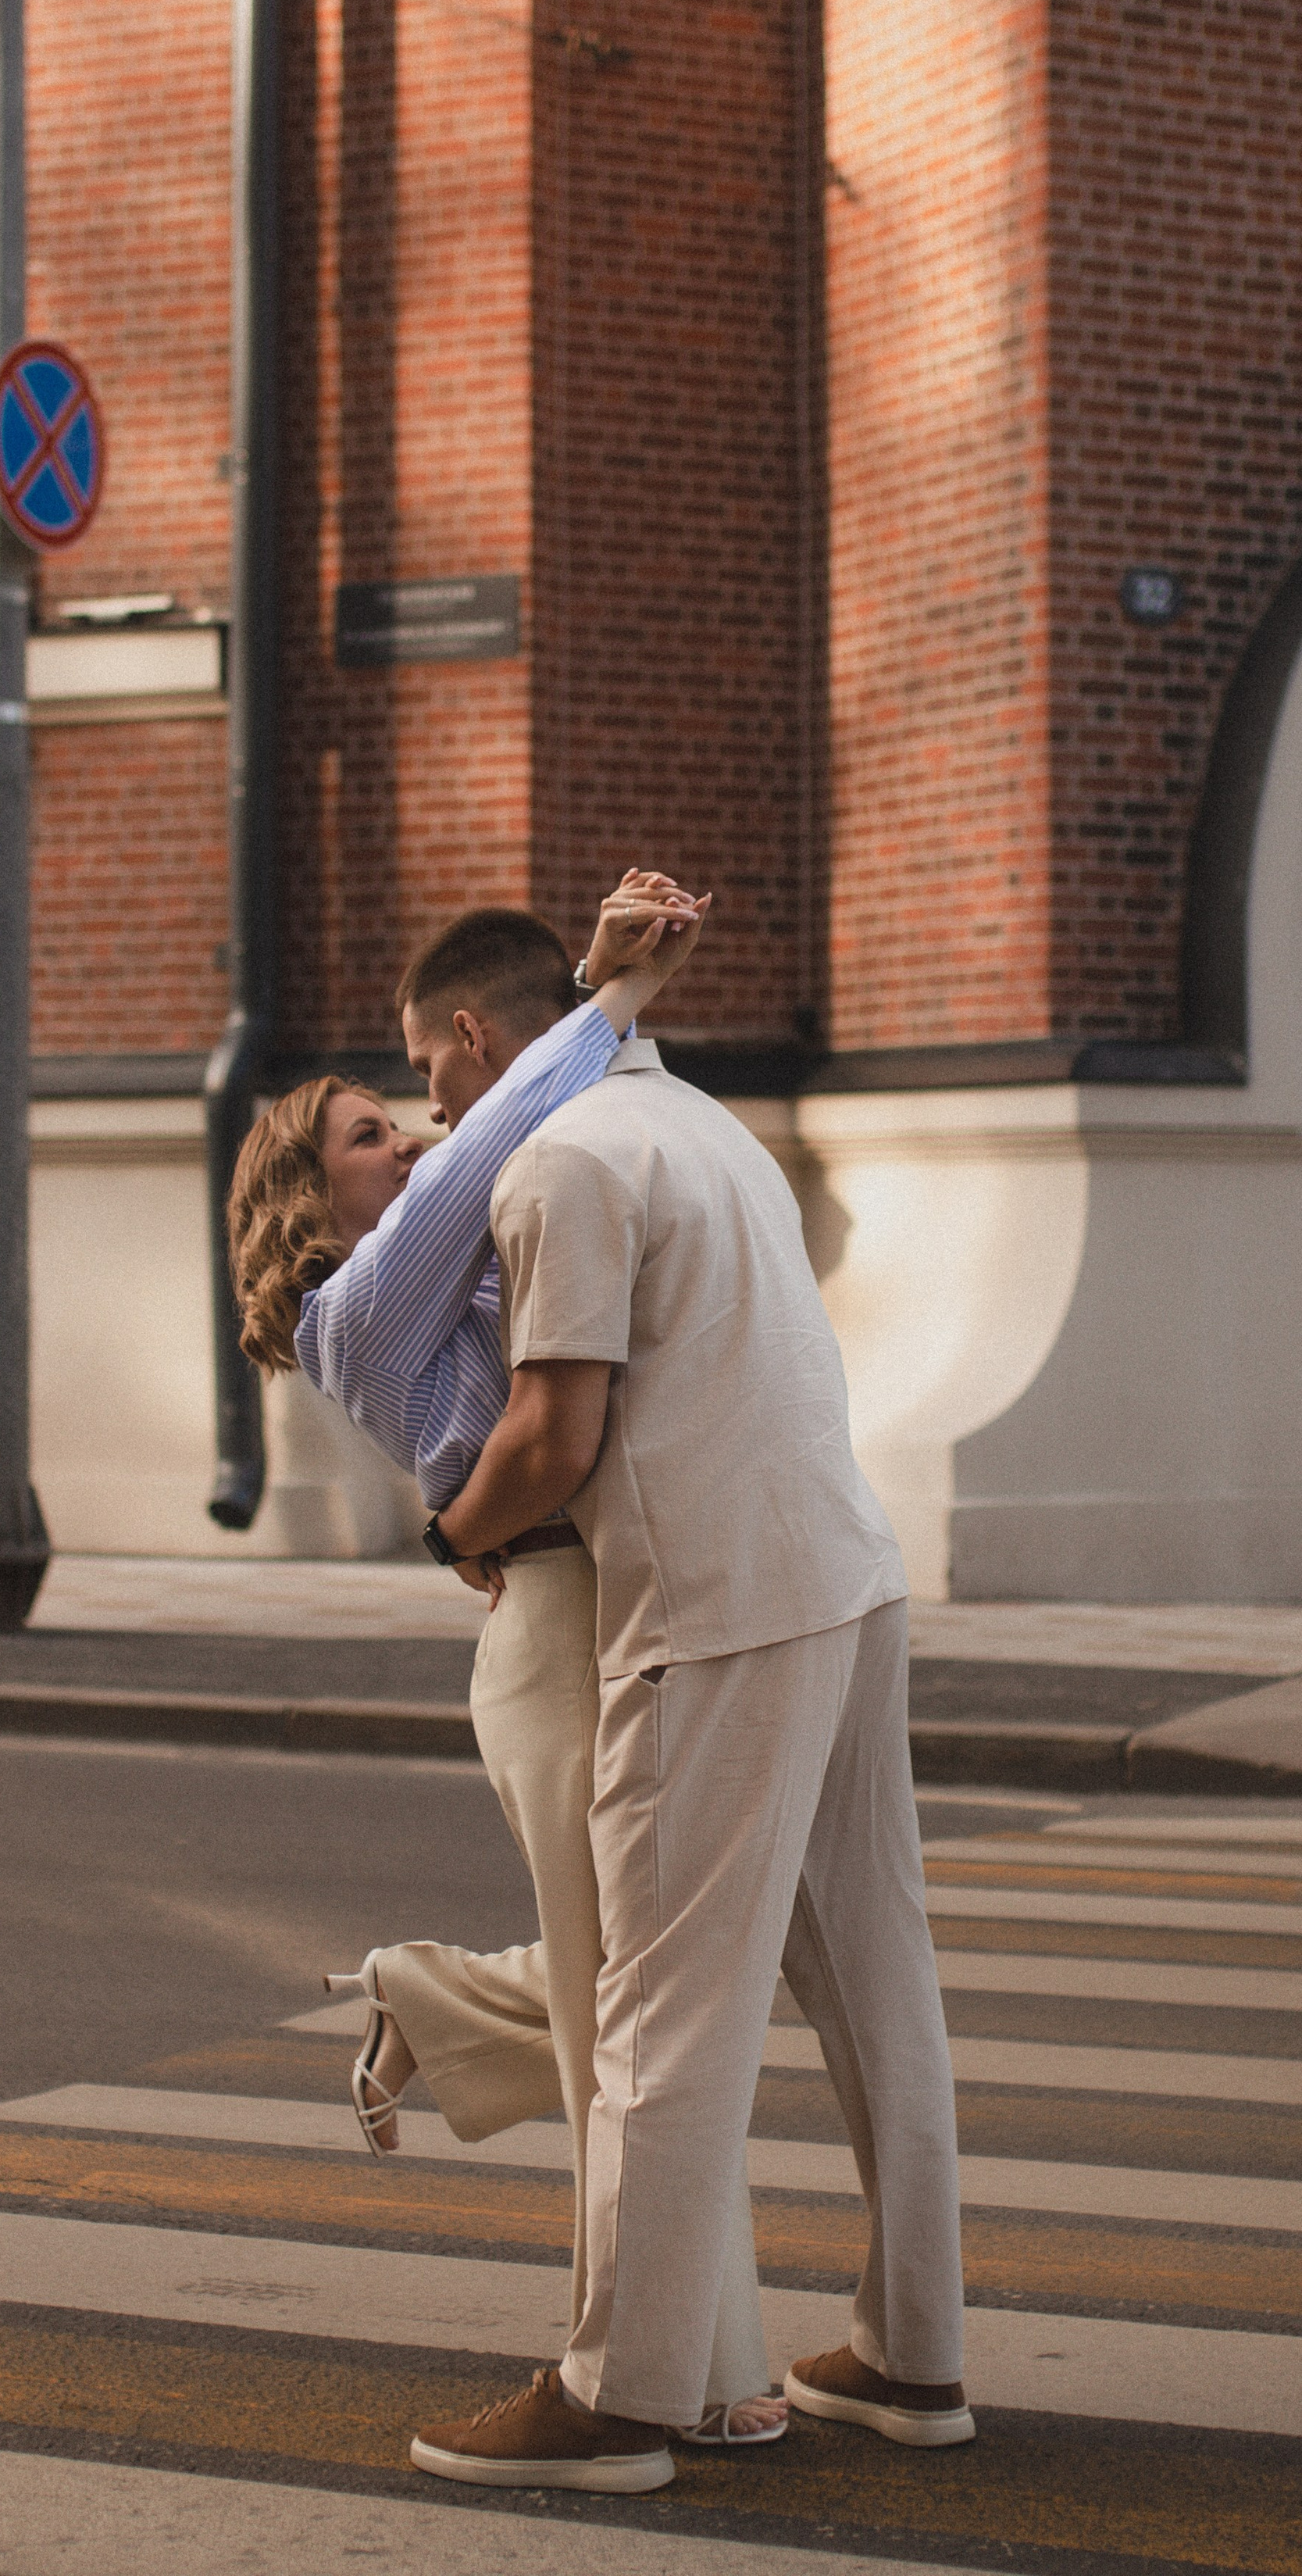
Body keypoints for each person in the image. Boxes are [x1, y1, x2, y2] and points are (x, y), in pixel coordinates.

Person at [227, 880, 779, 2459]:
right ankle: (673, 2375)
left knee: (646, 2006)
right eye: (366, 1135)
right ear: (307, 1200)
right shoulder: (354, 1310)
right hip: (547, 1636)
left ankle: (688, 2353)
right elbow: (488, 1156)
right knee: (626, 2027)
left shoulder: (446, 1258)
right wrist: (607, 1000)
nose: (409, 1138)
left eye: (404, 1111)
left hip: (618, 1601)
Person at [405, 1010, 971, 2494]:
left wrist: (449, 1532)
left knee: (661, 2009)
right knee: (882, 1989)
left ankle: (620, 2398)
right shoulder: (713, 1126)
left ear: (475, 1035)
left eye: (425, 1067)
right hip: (848, 1573)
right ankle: (914, 2354)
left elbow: (554, 1433)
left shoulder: (559, 1163)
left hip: (715, 1604)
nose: (429, 1109)